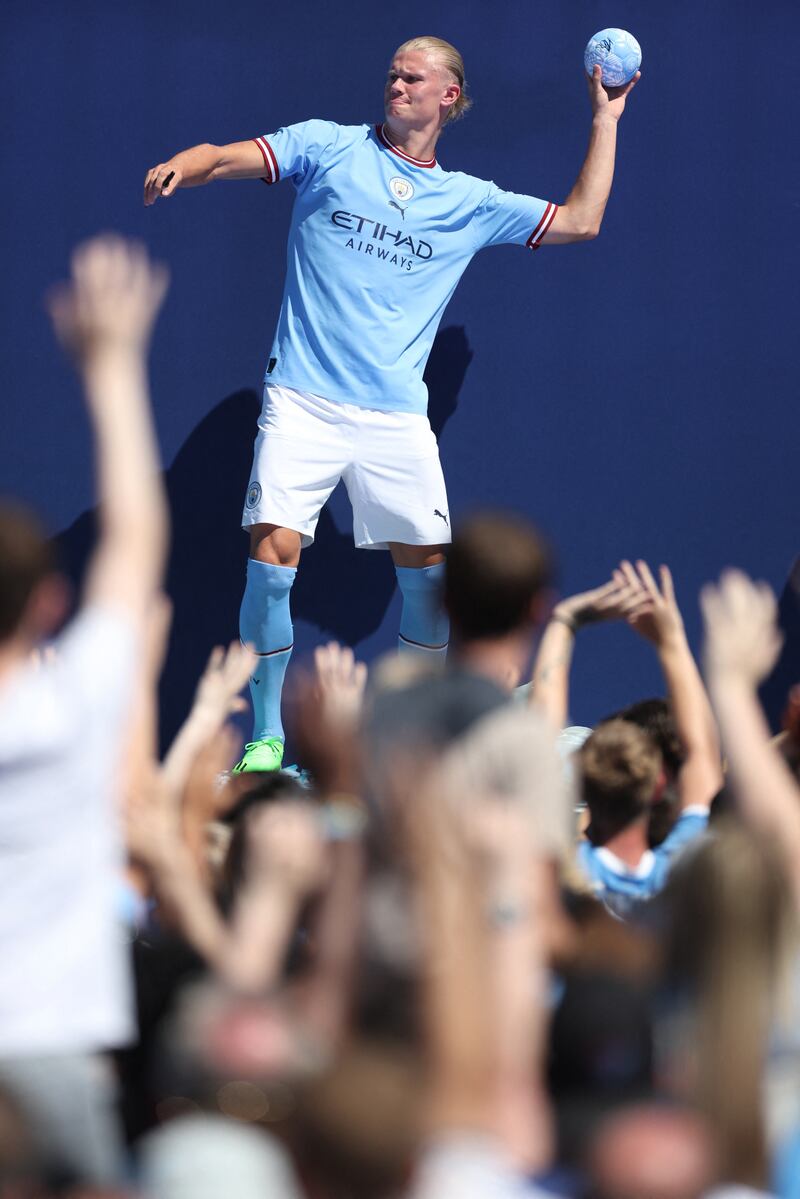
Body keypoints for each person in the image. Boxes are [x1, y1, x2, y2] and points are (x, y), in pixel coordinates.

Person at [144, 35, 640, 772]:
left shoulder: (468, 202)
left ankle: (420, 730)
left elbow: (581, 220)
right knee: (272, 551)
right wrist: (193, 164)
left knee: (430, 574)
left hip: (395, 416)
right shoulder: (327, 148)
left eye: (414, 75)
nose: (397, 82)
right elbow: (227, 154)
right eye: (392, 73)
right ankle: (267, 737)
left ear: (449, 96)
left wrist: (607, 118)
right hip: (303, 399)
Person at [0, 237, 169, 1183]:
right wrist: (112, 370)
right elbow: (136, 541)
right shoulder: (71, 704)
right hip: (60, 1056)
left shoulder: (70, 698)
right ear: (47, 604)